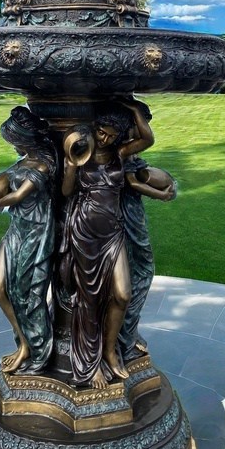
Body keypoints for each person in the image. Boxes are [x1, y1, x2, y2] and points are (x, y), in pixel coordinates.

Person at [60, 100, 155, 389]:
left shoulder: (120, 154)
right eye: (102, 131)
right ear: (94, 127)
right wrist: (71, 168)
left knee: (122, 294)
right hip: (85, 234)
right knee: (89, 302)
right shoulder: (81, 154)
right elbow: (66, 192)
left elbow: (147, 139)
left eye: (112, 134)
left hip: (113, 233)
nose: (105, 138)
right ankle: (90, 365)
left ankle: (111, 352)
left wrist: (135, 111)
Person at [0, 107, 57, 374]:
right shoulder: (20, 163)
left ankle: (35, 348)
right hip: (18, 229)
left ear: (24, 140)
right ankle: (23, 342)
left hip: (36, 232)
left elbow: (15, 198)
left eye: (14, 141)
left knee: (28, 294)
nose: (12, 146)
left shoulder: (42, 165)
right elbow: (2, 184)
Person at [119, 153, 176, 362]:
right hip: (121, 221)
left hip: (117, 218)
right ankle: (123, 334)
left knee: (135, 273)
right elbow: (135, 180)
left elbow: (150, 178)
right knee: (138, 272)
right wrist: (161, 194)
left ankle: (124, 332)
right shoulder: (119, 154)